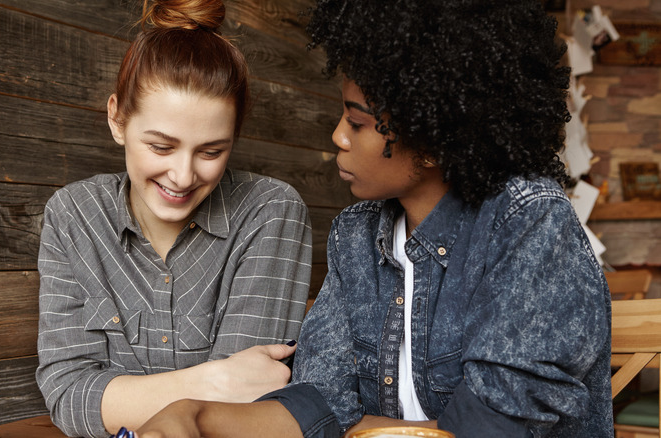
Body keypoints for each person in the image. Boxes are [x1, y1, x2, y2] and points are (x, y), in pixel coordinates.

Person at [133, 0, 613, 437]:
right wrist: (195, 416)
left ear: (432, 139)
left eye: (358, 122)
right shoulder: (355, 235)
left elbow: (491, 426)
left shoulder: (528, 222)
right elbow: (321, 404)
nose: (338, 136)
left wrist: (362, 427)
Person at [35, 0, 312, 436]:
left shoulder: (270, 210)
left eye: (211, 152)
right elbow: (69, 398)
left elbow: (248, 401)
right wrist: (208, 381)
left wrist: (121, 397)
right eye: (162, 147)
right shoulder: (73, 215)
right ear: (117, 119)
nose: (183, 177)